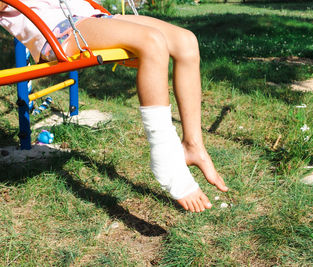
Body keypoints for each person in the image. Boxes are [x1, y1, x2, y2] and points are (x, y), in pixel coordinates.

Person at [0, 0, 228, 213]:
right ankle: (166, 156)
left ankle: (192, 144)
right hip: (58, 29)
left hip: (90, 15)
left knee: (186, 41)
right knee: (152, 41)